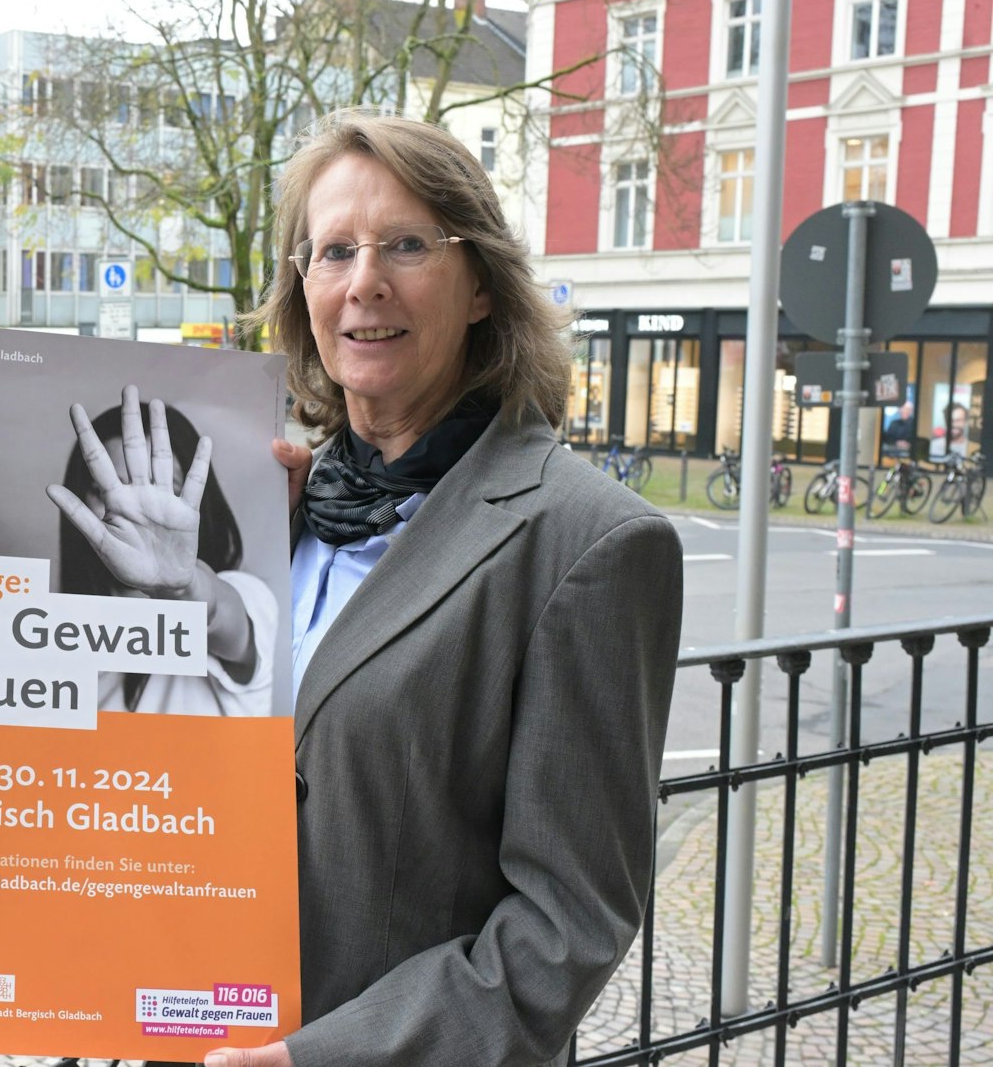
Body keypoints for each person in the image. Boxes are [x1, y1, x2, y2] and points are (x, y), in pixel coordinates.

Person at [204, 111, 683, 1067]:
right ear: (304, 289)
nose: (364, 281)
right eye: (333, 249)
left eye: (408, 244)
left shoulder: (586, 541)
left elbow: (565, 925)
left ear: (479, 287)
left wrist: (324, 1057)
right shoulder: (260, 503)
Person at [49, 386, 275, 715]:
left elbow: (219, 618)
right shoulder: (60, 636)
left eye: (165, 491)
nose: (134, 513)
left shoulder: (246, 594)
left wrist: (181, 587)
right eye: (106, 492)